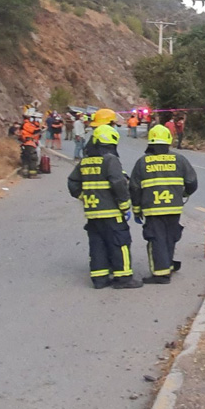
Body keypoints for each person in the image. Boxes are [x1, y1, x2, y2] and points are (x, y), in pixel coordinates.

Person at [66, 108, 142, 289]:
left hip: (92, 213)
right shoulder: (110, 160)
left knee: (97, 244)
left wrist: (85, 197)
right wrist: (124, 205)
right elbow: (118, 183)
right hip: (111, 212)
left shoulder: (85, 161)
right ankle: (123, 278)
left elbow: (73, 183)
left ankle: (99, 279)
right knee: (120, 242)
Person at [129, 124, 198, 284]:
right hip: (174, 208)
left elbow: (134, 188)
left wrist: (137, 210)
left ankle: (160, 274)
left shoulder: (142, 162)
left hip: (152, 209)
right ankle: (167, 265)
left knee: (156, 239)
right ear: (168, 140)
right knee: (169, 237)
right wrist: (184, 194)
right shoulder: (179, 160)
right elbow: (192, 183)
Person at [16, 113, 42, 178]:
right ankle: (32, 174)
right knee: (32, 159)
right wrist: (40, 129)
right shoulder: (27, 124)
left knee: (26, 159)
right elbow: (34, 131)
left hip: (28, 144)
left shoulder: (29, 124)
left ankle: (25, 173)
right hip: (29, 144)